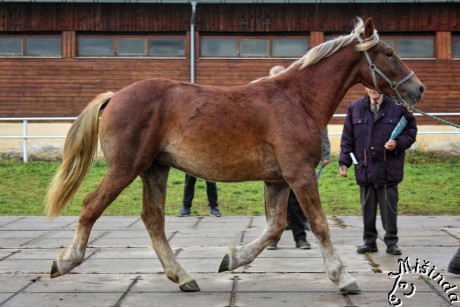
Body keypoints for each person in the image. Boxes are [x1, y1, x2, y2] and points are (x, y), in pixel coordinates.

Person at [339, 86, 417, 256]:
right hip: (365, 167)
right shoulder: (355, 107)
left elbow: (411, 132)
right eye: (369, 87)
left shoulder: (398, 107)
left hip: (388, 168)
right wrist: (344, 161)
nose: (373, 90)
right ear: (365, 87)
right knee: (367, 209)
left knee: (389, 208)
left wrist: (398, 143)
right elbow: (347, 138)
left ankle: (391, 242)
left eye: (376, 87)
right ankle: (369, 242)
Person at [265, 65, 331, 250]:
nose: (276, 80)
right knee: (273, 201)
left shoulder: (296, 103)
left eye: (279, 76)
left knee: (295, 200)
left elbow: (319, 130)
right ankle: (272, 239)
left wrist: (325, 153)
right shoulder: (264, 103)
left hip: (295, 161)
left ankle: (300, 237)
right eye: (273, 77)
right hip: (273, 163)